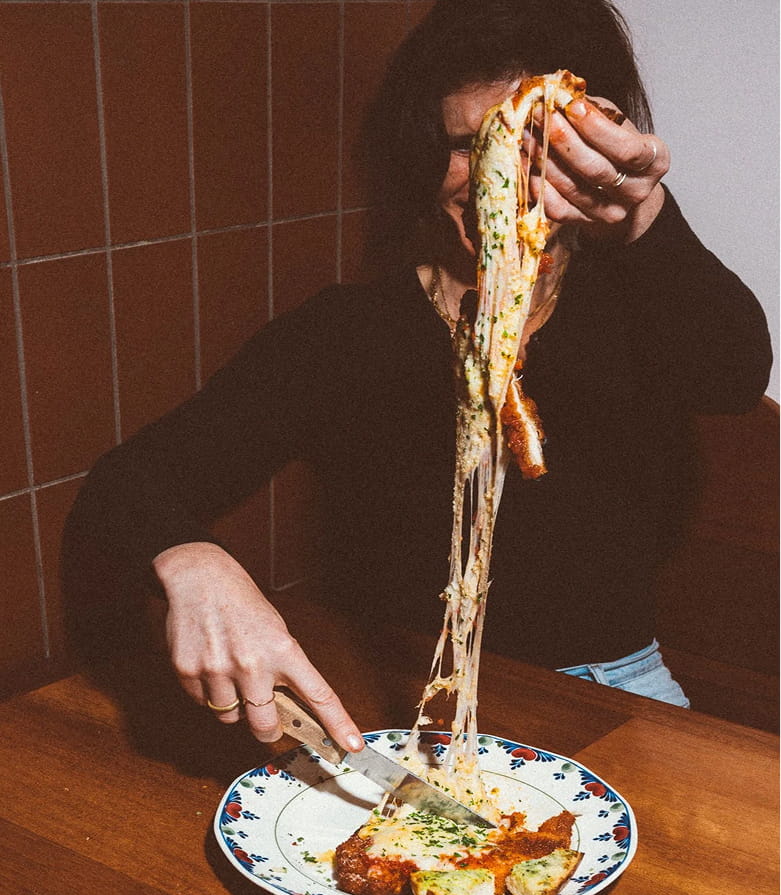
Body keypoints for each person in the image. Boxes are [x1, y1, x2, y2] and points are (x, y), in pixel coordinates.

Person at [63, 0, 772, 753]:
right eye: (465, 147)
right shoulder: (348, 330)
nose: (491, 178)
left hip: (608, 683)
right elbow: (128, 484)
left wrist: (641, 213)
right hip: (400, 687)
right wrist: (195, 562)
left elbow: (731, 374)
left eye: (529, 147)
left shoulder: (639, 302)